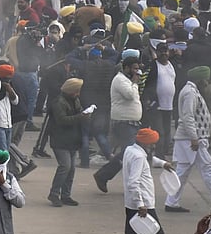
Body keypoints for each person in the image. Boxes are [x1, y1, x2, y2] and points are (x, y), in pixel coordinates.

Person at [118, 127, 180, 234]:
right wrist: (141, 205)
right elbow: (133, 182)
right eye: (152, 144)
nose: (154, 146)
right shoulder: (139, 157)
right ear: (146, 144)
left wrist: (164, 163)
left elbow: (150, 159)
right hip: (143, 206)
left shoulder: (131, 150)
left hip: (131, 205)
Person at [166, 66, 211, 212]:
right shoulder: (190, 93)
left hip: (191, 138)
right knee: (207, 170)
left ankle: (171, 202)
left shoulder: (192, 91)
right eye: (205, 80)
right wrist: (194, 138)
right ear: (200, 79)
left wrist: (206, 132)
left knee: (183, 172)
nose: (207, 83)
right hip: (191, 140)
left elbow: (197, 116)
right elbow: (188, 116)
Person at [94, 56, 143, 193]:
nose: (137, 72)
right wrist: (134, 82)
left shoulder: (127, 80)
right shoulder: (120, 80)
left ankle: (105, 175)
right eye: (134, 68)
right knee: (129, 154)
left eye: (138, 69)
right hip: (124, 122)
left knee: (128, 154)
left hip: (131, 122)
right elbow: (130, 95)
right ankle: (103, 175)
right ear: (126, 68)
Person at [48, 78, 87, 207]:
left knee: (71, 169)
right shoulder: (59, 102)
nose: (79, 94)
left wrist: (84, 114)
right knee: (65, 166)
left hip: (72, 139)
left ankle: (65, 195)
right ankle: (54, 194)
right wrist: (80, 117)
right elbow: (62, 120)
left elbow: (78, 112)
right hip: (60, 139)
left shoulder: (74, 100)